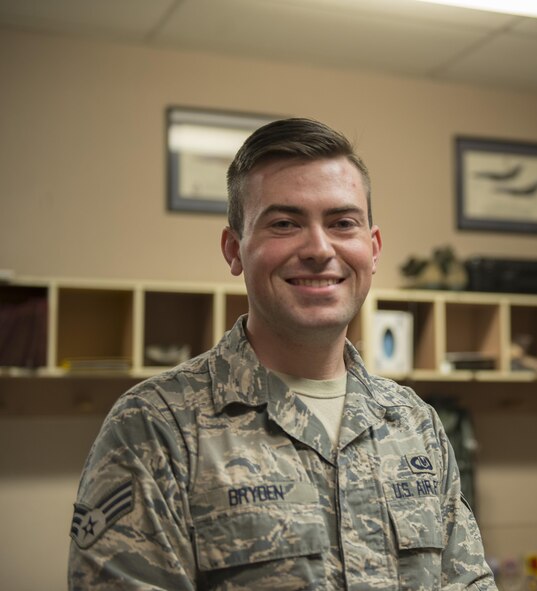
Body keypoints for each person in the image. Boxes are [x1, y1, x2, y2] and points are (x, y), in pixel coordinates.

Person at [68, 117, 497, 590]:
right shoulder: (156, 428)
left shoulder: (415, 425)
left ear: (373, 249)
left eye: (342, 223)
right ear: (234, 249)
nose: (319, 248)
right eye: (285, 224)